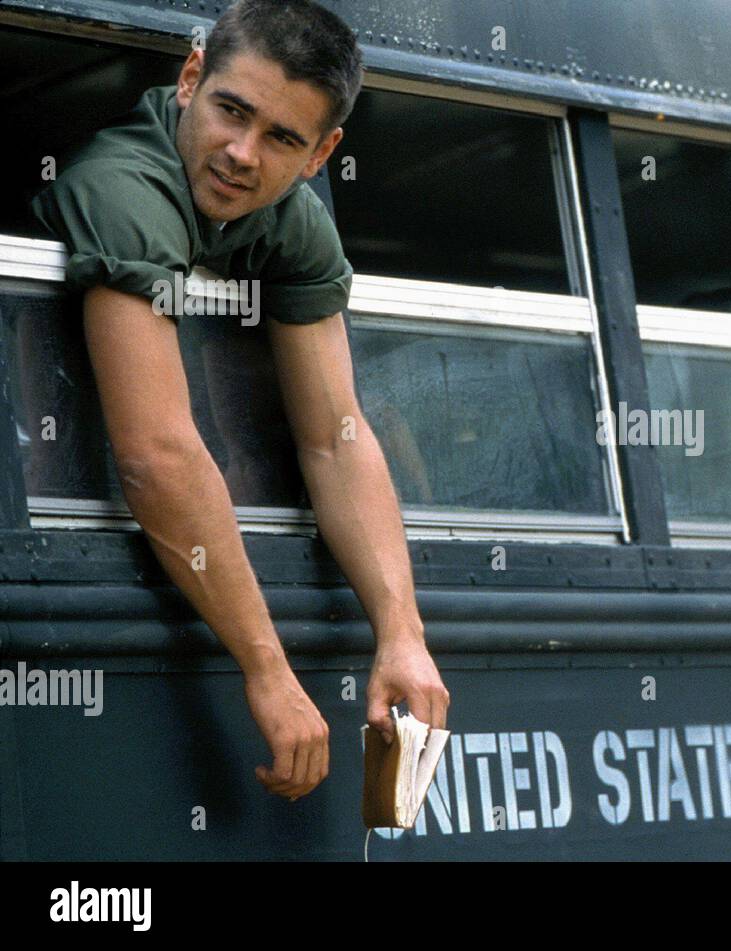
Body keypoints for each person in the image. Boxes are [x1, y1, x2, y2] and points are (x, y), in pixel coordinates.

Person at [28, 0, 448, 802]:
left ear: (323, 152)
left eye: (283, 138)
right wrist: (266, 668)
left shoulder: (291, 221)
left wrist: (403, 634)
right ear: (191, 77)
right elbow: (156, 454)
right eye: (231, 110)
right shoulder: (124, 183)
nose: (241, 154)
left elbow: (336, 435)